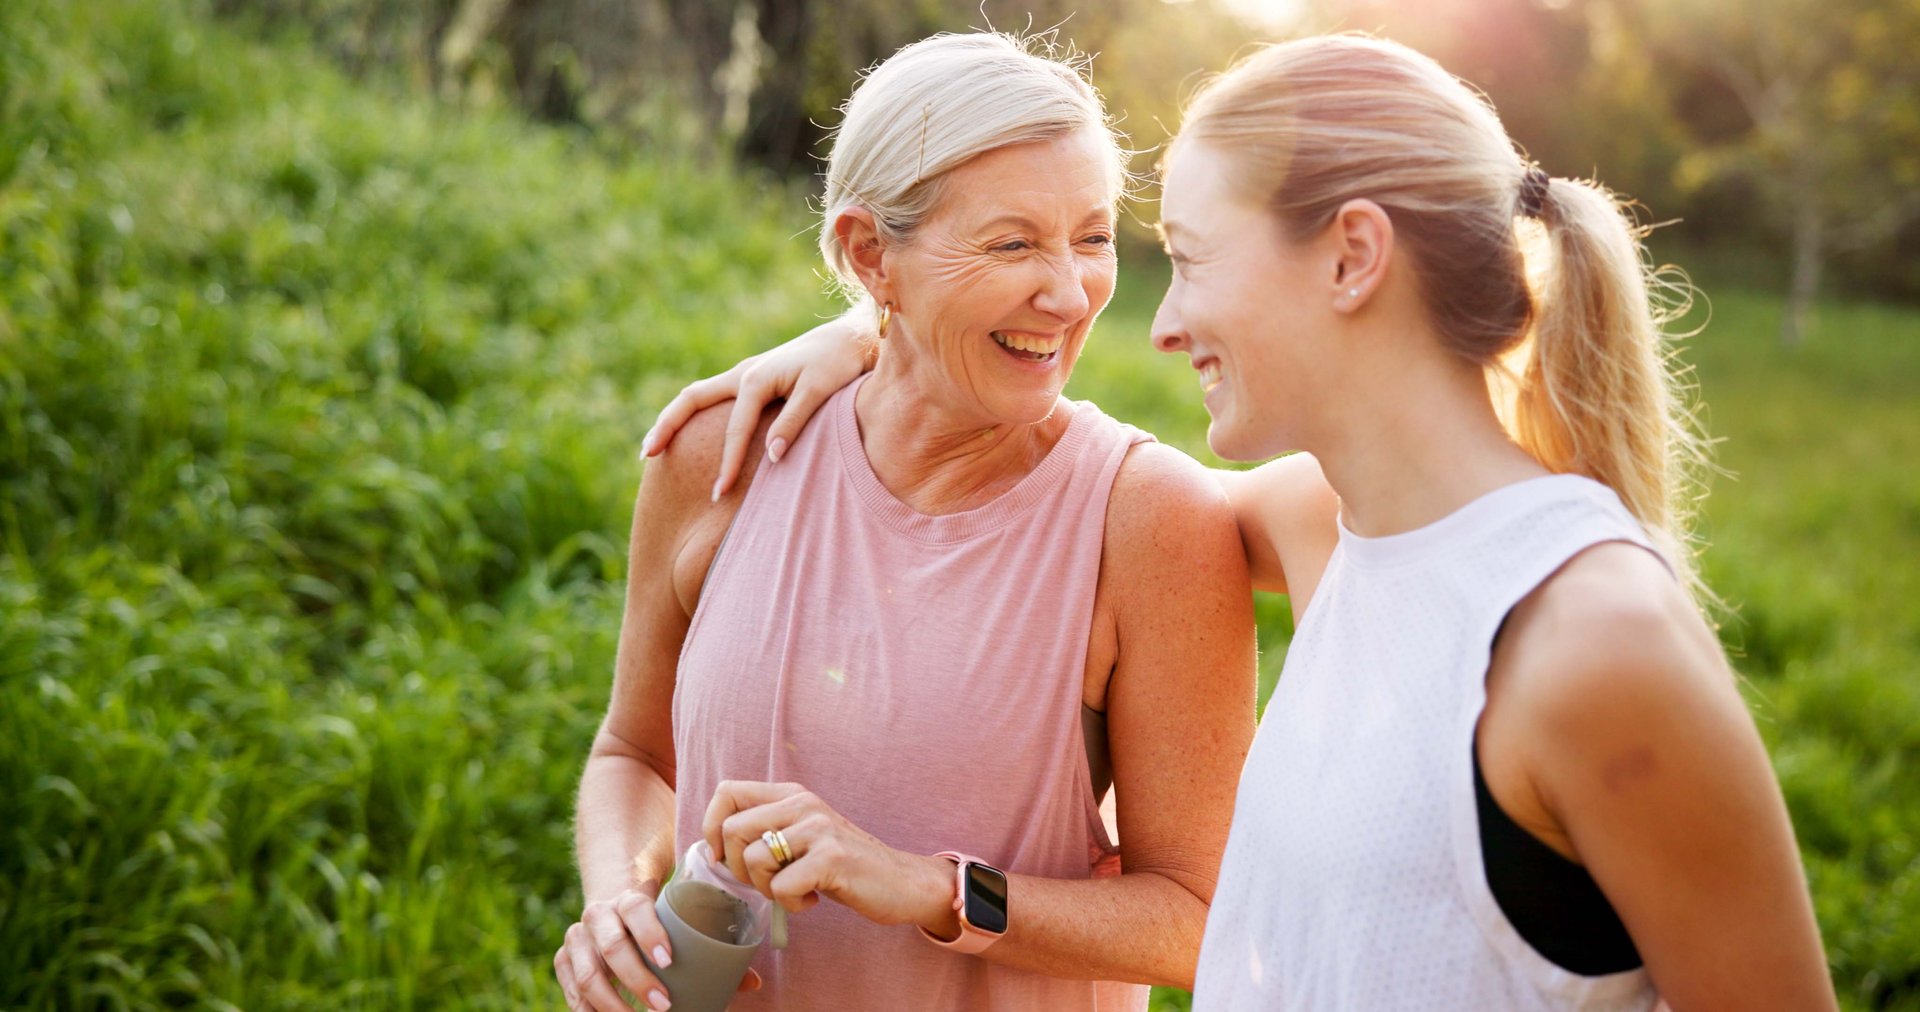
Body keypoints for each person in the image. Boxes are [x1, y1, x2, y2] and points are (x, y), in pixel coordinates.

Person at [643, 34, 1836, 1011]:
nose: (1156, 324)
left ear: (1353, 257)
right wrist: (875, 329)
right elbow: (1024, 479)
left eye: (1195, 261)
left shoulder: (1590, 649)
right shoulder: (1336, 525)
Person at [554, 32, 1257, 1012]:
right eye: (1012, 242)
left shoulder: (1150, 519)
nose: (1069, 292)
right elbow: (634, 755)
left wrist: (933, 886)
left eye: (1091, 237)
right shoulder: (719, 454)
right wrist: (617, 900)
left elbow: (1203, 916)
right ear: (868, 252)